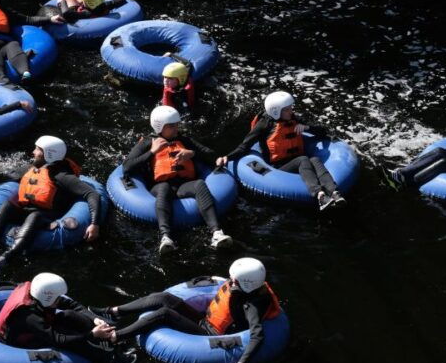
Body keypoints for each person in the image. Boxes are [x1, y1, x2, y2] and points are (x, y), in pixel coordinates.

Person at [89, 257, 280, 363]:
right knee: (164, 298)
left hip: (209, 334)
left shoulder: (251, 306)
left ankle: (114, 337)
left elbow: (257, 334)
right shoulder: (249, 287)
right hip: (205, 320)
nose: (230, 282)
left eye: (233, 280)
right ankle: (113, 312)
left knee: (165, 313)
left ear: (247, 284)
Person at [0, 135, 102, 272]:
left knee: (35, 216)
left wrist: (94, 224)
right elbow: (4, 175)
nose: (33, 152)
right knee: (8, 205)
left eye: (38, 149)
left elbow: (92, 193)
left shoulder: (61, 175)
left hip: (48, 215)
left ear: (49, 154)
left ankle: (6, 258)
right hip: (28, 209)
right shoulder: (32, 169)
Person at [123, 105, 232, 254]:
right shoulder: (148, 143)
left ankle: (216, 233)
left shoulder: (183, 140)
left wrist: (192, 154)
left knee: (199, 184)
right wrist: (152, 152)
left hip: (183, 185)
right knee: (164, 188)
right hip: (158, 186)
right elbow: (127, 166)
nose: (176, 128)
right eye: (171, 126)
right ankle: (166, 237)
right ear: (159, 127)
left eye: (176, 125)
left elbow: (210, 154)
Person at [216, 91, 347, 211]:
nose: (291, 111)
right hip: (279, 167)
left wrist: (307, 127)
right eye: (287, 109)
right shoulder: (264, 124)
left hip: (300, 161)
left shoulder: (293, 118)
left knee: (315, 159)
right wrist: (228, 157)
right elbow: (245, 146)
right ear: (275, 111)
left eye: (291, 108)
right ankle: (320, 196)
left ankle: (334, 192)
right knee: (303, 159)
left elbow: (322, 131)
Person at [0, 272, 137, 363]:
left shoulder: (39, 296)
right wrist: (92, 335)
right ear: (47, 298)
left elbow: (73, 305)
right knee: (70, 336)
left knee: (69, 314)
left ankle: (110, 341)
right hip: (25, 340)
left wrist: (95, 319)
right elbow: (57, 339)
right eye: (57, 298)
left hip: (39, 327)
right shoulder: (29, 316)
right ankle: (109, 362)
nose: (60, 300)